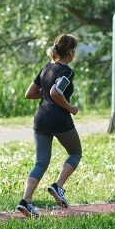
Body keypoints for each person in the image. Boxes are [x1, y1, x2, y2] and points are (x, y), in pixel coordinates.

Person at [17, 34, 82, 218]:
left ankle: (26, 202)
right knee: (75, 153)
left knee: (41, 162)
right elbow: (55, 91)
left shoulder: (45, 68)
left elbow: (30, 93)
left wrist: (46, 94)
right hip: (59, 119)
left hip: (41, 119)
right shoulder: (66, 71)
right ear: (70, 53)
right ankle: (58, 185)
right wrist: (70, 107)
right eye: (74, 51)